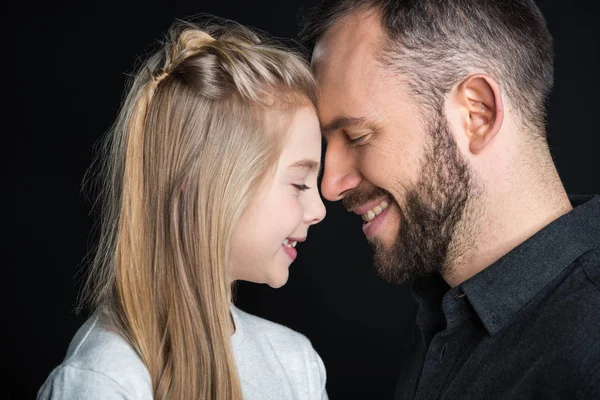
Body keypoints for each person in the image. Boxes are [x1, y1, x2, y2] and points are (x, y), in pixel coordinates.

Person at [301, 0, 600, 399]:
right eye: (326, 143)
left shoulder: (589, 355)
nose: (329, 185)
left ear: (477, 114)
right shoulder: (446, 315)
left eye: (356, 136)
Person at [38, 20, 328, 400]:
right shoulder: (106, 380)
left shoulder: (295, 364)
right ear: (204, 189)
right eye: (299, 184)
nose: (319, 209)